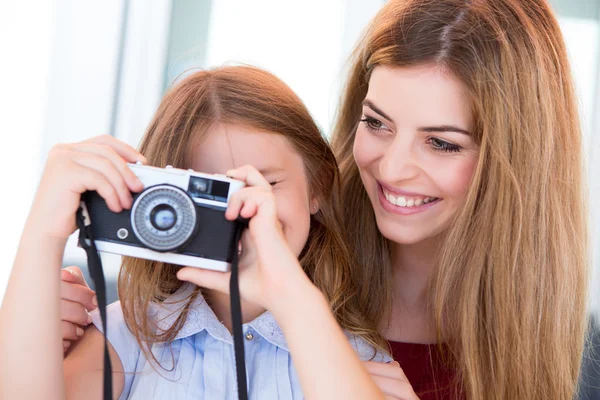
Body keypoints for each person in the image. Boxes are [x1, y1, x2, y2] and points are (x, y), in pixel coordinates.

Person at [0, 66, 394, 400]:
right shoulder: (131, 336)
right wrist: (43, 237)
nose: (241, 213)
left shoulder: (347, 355)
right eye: (211, 193)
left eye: (265, 186)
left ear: (318, 186)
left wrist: (290, 295)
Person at [331, 0, 589, 398]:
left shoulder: (532, 324)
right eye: (376, 123)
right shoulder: (296, 259)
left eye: (440, 143)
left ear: (518, 161)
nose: (392, 169)